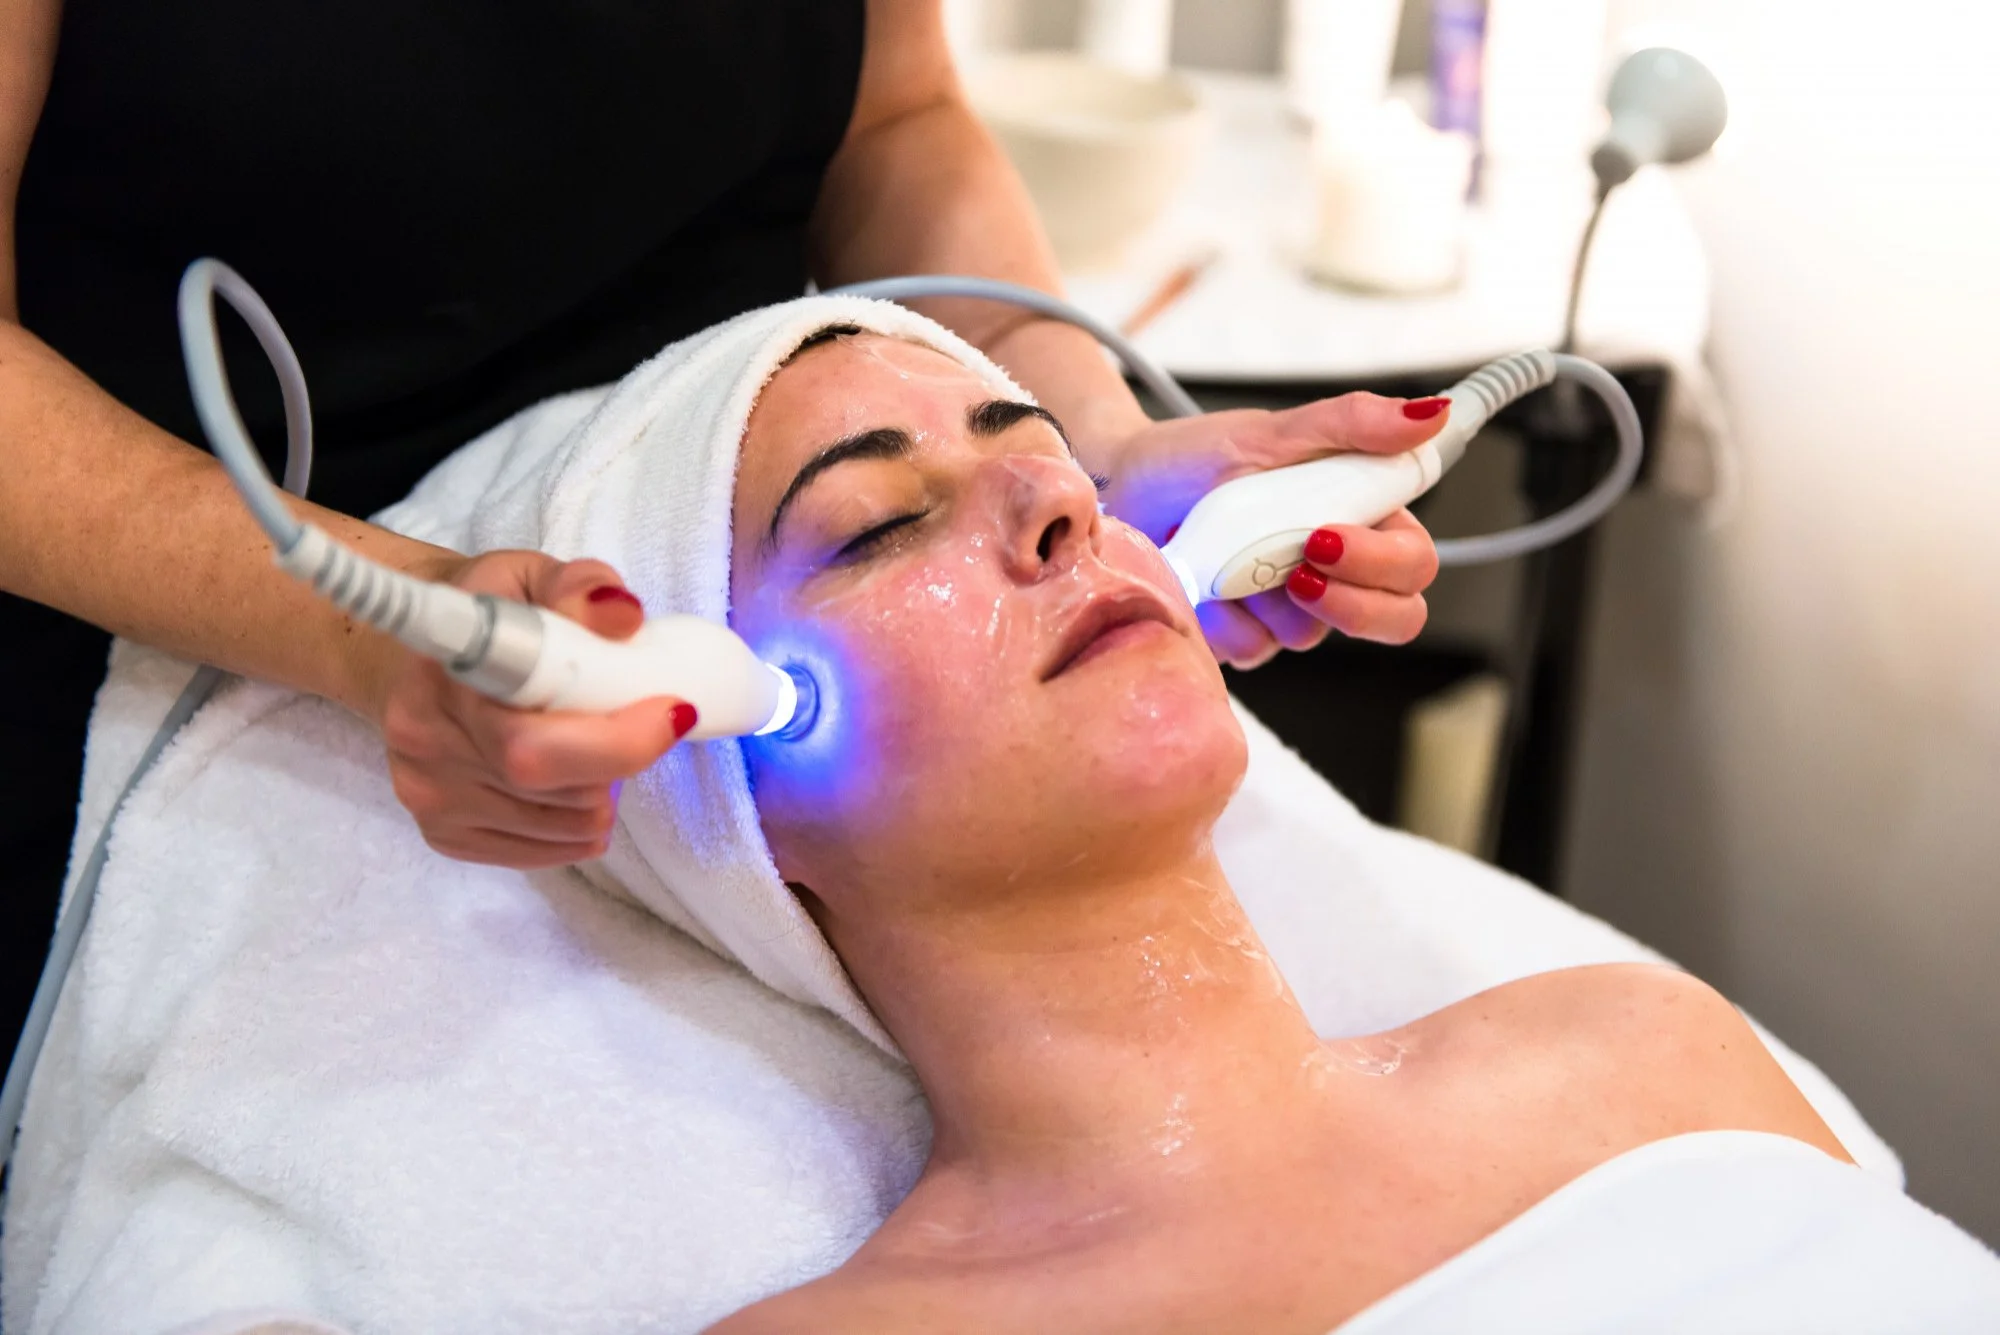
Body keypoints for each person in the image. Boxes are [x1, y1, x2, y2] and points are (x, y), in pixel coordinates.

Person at [0, 0, 1441, 1056]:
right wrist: (375, 629)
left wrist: (1090, 427)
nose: (1060, 513)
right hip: (219, 640)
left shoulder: (1556, 1040)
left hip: (706, 575)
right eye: (885, 521)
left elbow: (897, 117)